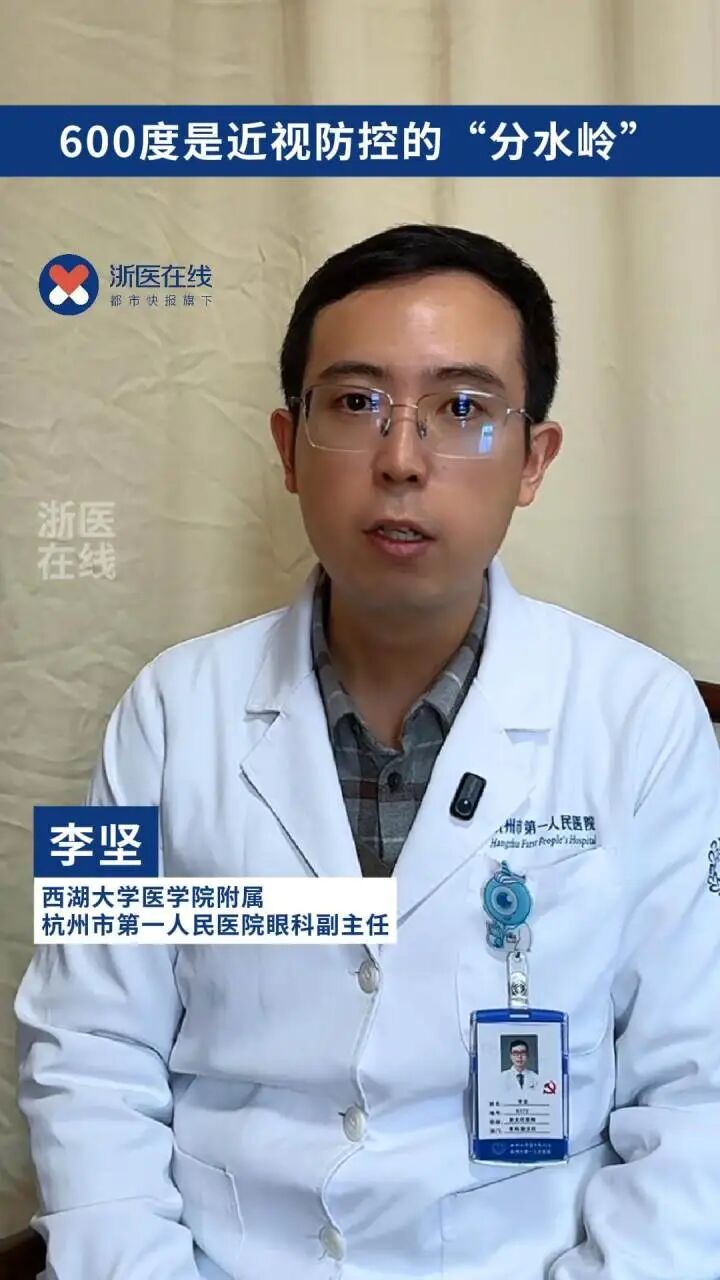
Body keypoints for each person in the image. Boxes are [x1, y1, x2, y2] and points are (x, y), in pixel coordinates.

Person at [15, 223, 720, 1280]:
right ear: (288, 446)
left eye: (463, 408)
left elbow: (698, 1089)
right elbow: (82, 1047)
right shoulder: (159, 710)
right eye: (354, 403)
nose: (401, 458)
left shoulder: (650, 719)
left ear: (534, 460)